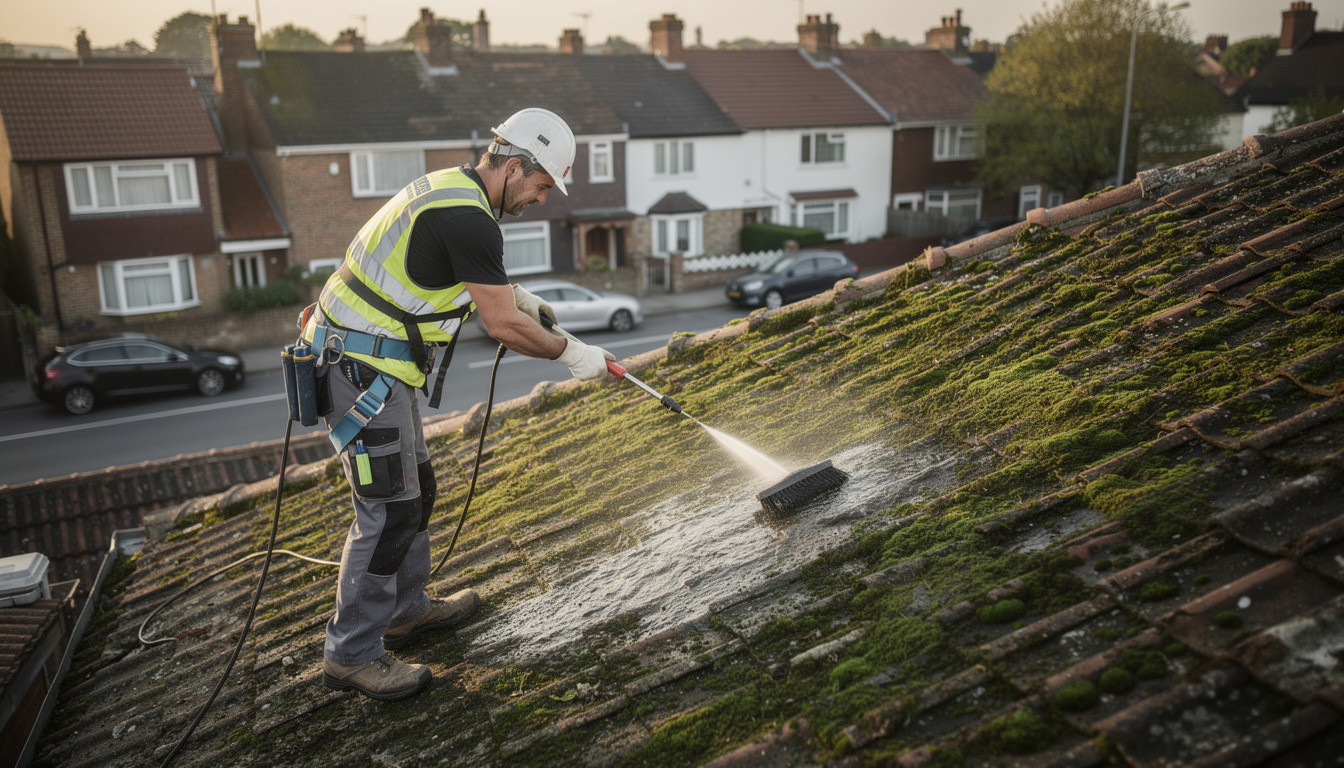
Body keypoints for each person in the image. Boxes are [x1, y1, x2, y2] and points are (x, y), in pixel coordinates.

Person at [302, 108, 613, 701]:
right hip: (359, 369)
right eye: (542, 186)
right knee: (389, 510)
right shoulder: (470, 218)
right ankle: (351, 654)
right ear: (516, 166)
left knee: (417, 486)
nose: (542, 199)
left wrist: (516, 293)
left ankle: (407, 609)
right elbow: (501, 326)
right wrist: (573, 354)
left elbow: (437, 268)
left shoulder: (450, 187)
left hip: (374, 365)